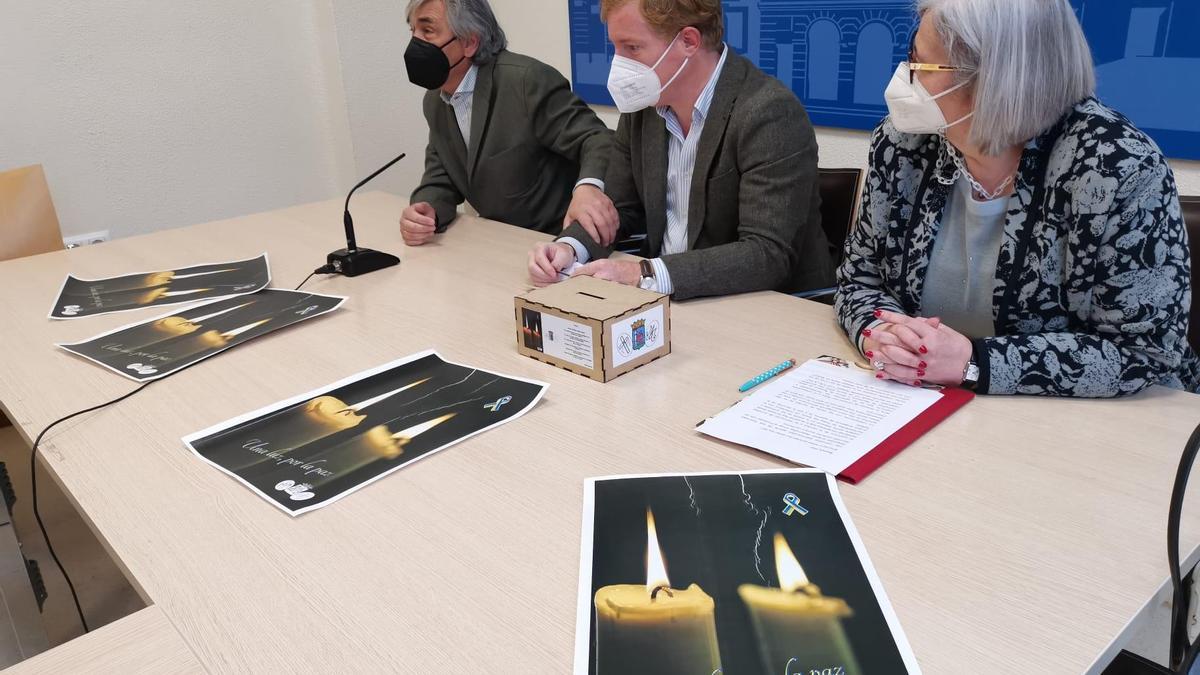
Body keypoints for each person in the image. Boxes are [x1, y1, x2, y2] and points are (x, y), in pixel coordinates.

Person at [836, 0, 1199, 397]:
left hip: (1093, 422)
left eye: (919, 63)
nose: (905, 77)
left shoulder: (1117, 167)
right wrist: (882, 335)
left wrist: (973, 363)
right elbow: (859, 278)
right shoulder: (903, 145)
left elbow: (1144, 350)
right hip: (922, 400)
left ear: (992, 79)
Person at [526, 0, 834, 300]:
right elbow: (619, 209)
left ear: (688, 41)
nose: (618, 65)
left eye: (632, 48)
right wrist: (568, 249)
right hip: (668, 298)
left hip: (764, 307)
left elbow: (767, 253)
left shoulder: (769, 112)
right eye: (615, 47)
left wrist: (644, 274)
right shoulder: (645, 104)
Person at [400, 0, 616, 244]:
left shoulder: (526, 82)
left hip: (558, 243)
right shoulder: (435, 100)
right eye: (413, 31)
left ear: (470, 42)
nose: (415, 42)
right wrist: (426, 211)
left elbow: (598, 139)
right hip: (498, 244)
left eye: (427, 31)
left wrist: (588, 188)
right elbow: (441, 175)